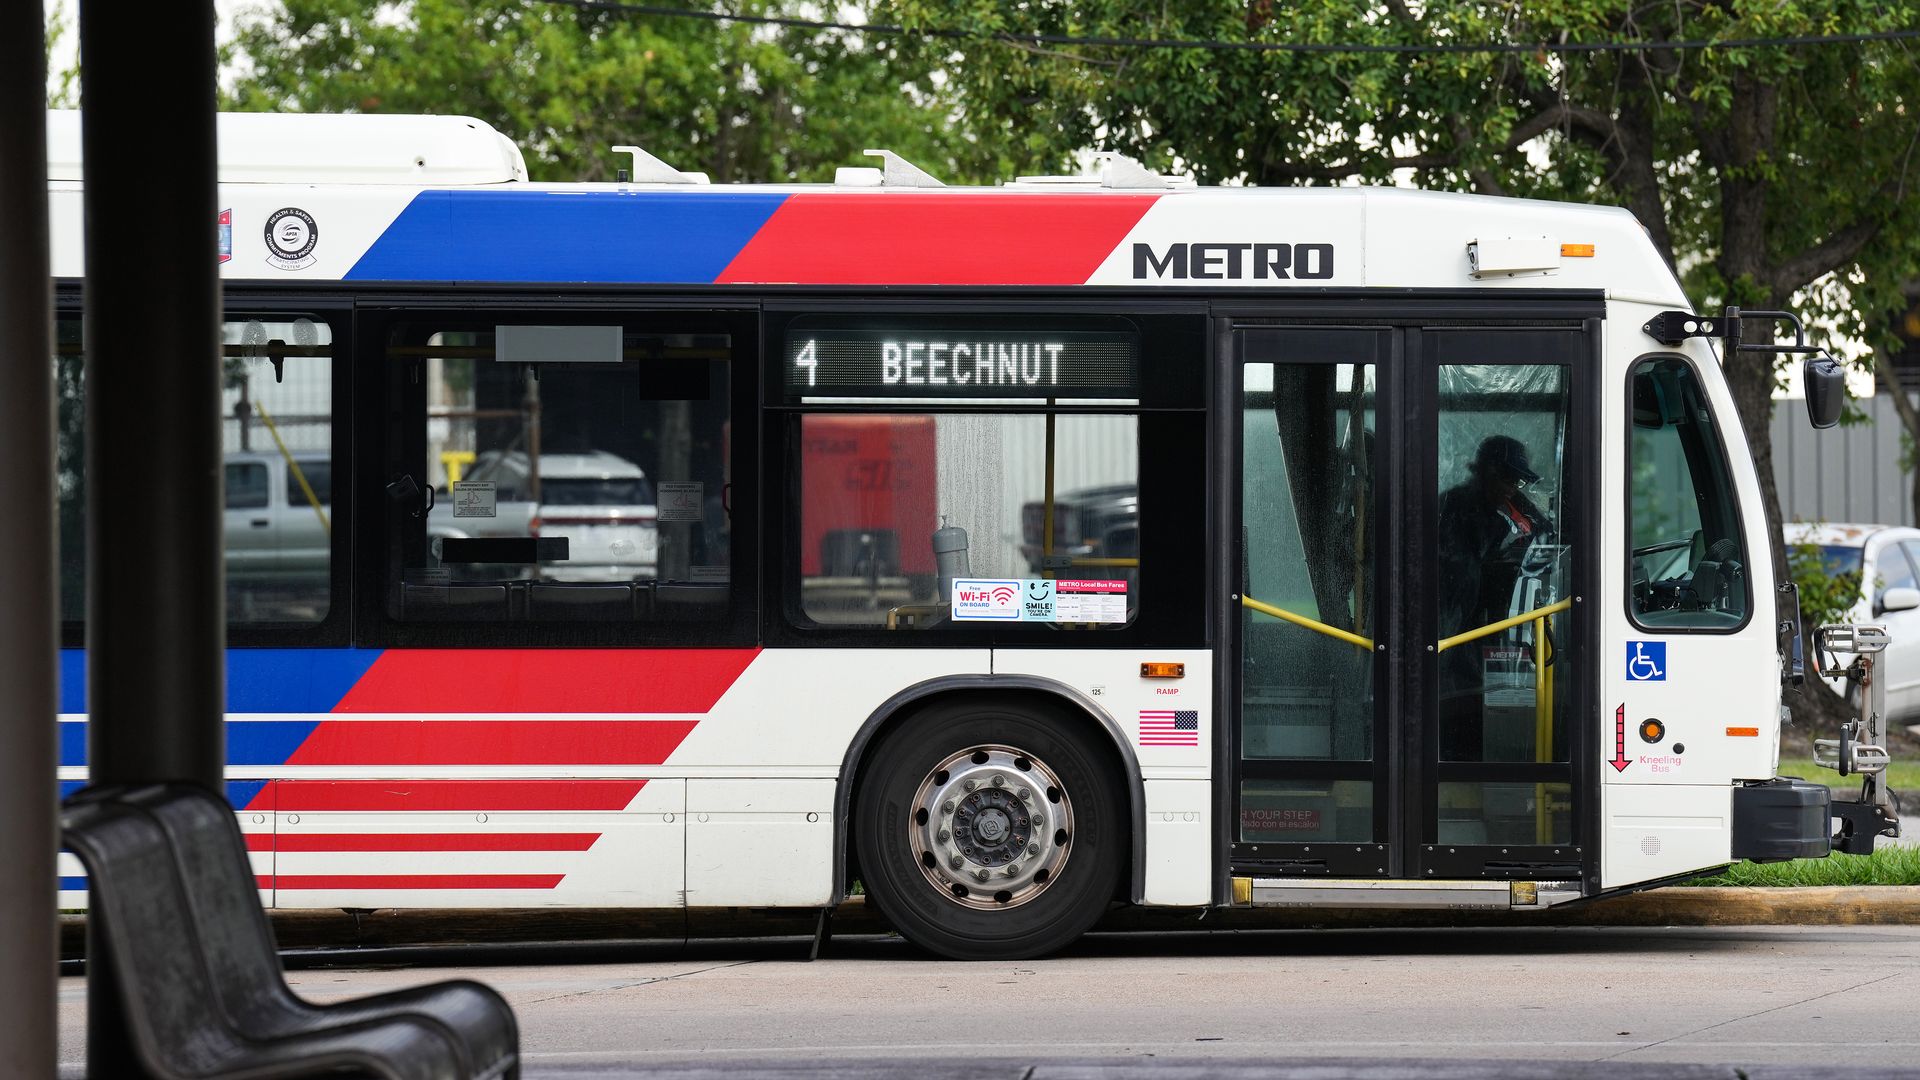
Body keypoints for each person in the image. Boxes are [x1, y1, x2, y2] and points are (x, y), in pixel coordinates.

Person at [1436, 434, 1554, 761]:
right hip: (1462, 625)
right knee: (1464, 697)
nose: (1512, 486)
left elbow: (1545, 533)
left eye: (1516, 480)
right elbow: (1457, 571)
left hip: (1504, 618)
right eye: (1506, 477)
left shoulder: (1512, 505)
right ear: (1484, 472)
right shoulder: (1458, 506)